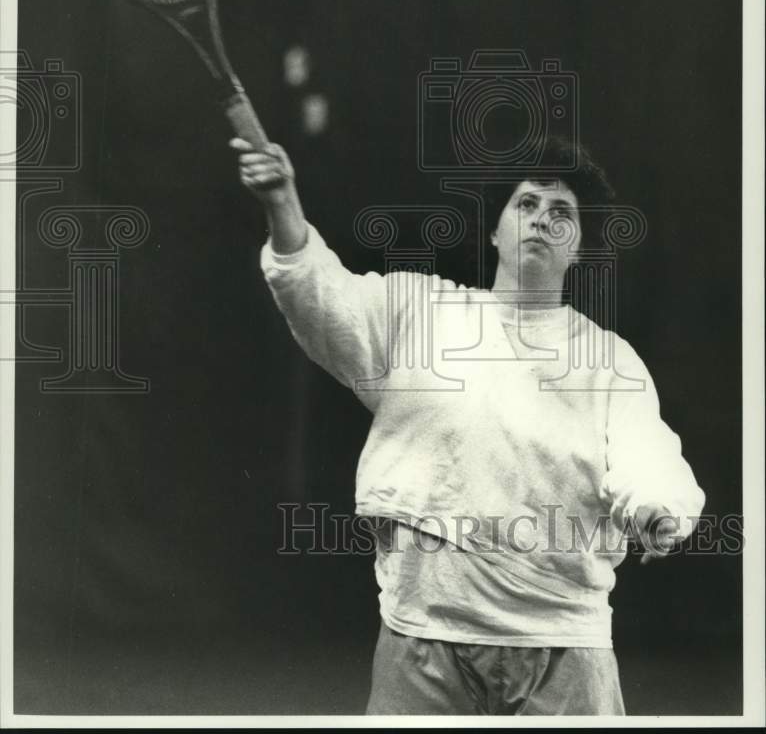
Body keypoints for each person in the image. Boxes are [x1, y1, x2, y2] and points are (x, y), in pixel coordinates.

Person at [231, 134, 705, 717]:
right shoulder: (419, 315)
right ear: (496, 230)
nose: (541, 219)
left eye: (562, 212)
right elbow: (320, 293)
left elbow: (647, 455)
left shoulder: (609, 361)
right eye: (525, 204)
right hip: (421, 637)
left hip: (562, 644)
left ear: (580, 248)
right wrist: (281, 199)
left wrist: (657, 507)